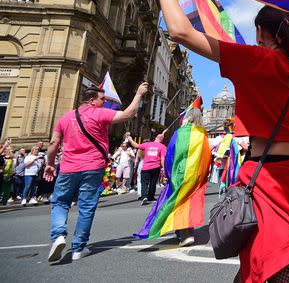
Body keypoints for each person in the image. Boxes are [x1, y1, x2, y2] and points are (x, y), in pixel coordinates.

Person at [154, 0, 289, 283]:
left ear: (260, 32)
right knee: (261, 262)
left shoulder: (253, 60)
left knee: (282, 265)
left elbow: (180, 32)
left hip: (268, 180)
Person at [44, 82, 149, 263]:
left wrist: (50, 163)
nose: (104, 102)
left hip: (68, 168)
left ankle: (58, 236)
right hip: (93, 167)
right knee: (86, 207)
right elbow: (128, 114)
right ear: (92, 100)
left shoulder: (65, 117)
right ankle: (78, 248)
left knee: (60, 202)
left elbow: (54, 144)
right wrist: (139, 93)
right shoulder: (99, 113)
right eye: (102, 99)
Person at [134, 103, 211, 247]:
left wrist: (168, 173)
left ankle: (185, 233)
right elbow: (207, 157)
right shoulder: (203, 135)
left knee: (174, 201)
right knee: (188, 202)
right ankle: (184, 232)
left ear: (188, 118)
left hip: (180, 174)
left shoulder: (180, 133)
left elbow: (170, 155)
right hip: (197, 175)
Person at [129, 133, 167, 205]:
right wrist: (164, 168)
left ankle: (143, 197)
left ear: (155, 138)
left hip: (146, 166)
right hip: (156, 167)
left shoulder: (147, 144)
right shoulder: (162, 147)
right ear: (162, 140)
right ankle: (151, 196)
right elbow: (162, 159)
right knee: (153, 182)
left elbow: (136, 145)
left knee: (144, 182)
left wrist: (130, 138)